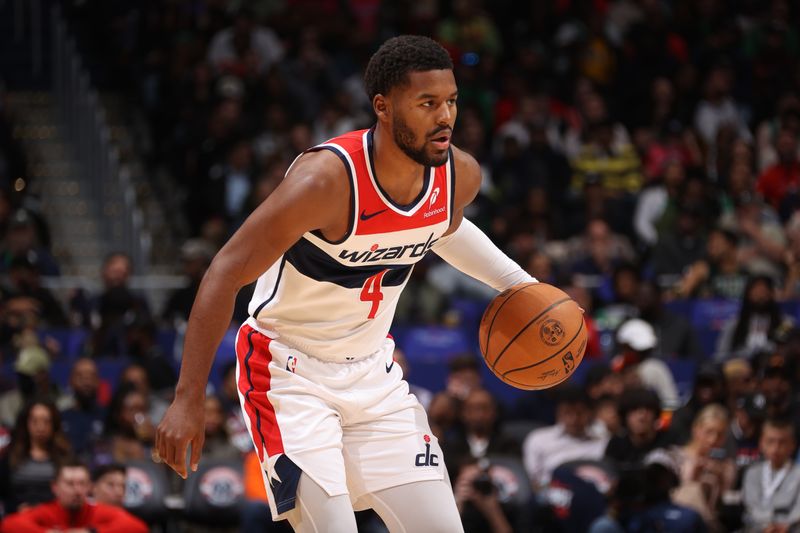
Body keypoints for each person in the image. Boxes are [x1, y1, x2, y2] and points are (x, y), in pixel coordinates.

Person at [155, 35, 538, 532]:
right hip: (289, 375)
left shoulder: (457, 175)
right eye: (427, 103)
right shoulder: (324, 183)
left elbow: (446, 226)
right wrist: (187, 398)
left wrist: (521, 284)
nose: (445, 117)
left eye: (451, 101)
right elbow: (223, 273)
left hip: (374, 378)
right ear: (383, 107)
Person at [0, 460, 147, 533]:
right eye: (70, 484)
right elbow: (8, 525)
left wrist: (91, 532)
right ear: (55, 487)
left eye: (81, 483)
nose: (77, 490)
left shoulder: (98, 511)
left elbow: (138, 527)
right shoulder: (46, 511)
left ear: (89, 487)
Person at [0, 400, 73, 513]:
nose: (41, 427)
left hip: (57, 517)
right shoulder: (10, 455)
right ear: (26, 423)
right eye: (35, 421)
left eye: (46, 421)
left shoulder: (65, 456)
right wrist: (15, 508)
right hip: (18, 518)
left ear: (54, 424)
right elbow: (4, 494)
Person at [742, 418, 800, 532]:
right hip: (758, 527)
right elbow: (752, 505)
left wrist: (786, 525)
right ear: (761, 443)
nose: (776, 448)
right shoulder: (752, 472)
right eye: (770, 441)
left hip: (788, 528)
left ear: (792, 445)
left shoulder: (798, 473)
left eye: (782, 442)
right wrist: (767, 525)